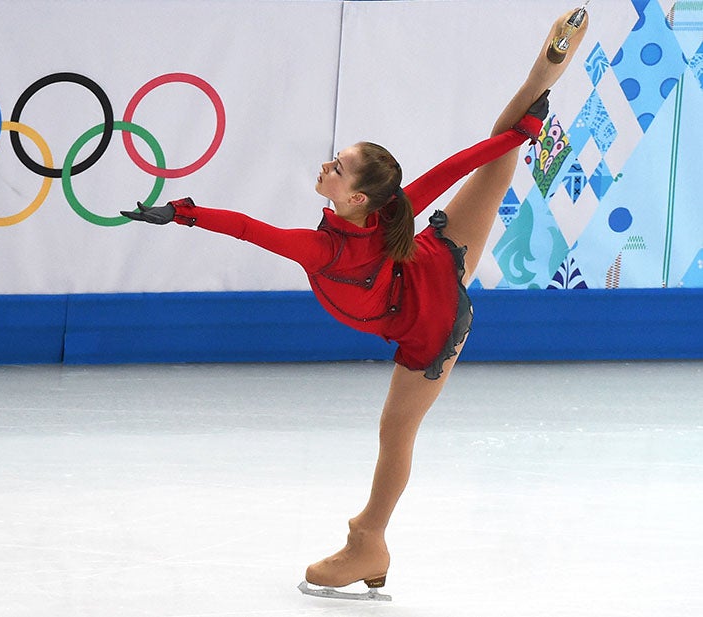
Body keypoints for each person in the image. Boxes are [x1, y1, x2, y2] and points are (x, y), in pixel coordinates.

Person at [122, 8, 589, 599]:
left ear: (358, 196)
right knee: (495, 165)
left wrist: (181, 214)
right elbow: (452, 167)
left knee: (397, 431)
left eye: (337, 168)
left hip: (431, 318)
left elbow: (247, 228)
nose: (326, 166)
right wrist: (519, 136)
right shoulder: (389, 212)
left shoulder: (323, 250)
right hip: (435, 261)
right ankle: (533, 93)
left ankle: (370, 539)